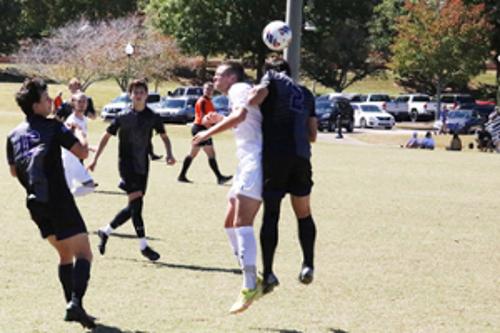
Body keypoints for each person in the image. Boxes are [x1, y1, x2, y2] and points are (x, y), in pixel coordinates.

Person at [6, 78, 96, 328]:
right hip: (58, 197)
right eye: (46, 98)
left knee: (64, 254)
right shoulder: (53, 126)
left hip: (35, 203)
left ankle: (73, 307)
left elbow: (14, 172)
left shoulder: (13, 135)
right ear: (36, 105)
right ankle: (75, 302)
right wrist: (79, 133)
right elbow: (82, 153)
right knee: (84, 254)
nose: (50, 102)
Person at [193, 61, 263, 314]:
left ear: (231, 77)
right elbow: (245, 121)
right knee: (229, 222)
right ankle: (254, 277)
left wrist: (208, 131)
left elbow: (241, 116)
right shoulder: (239, 91)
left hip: (256, 162)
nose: (214, 79)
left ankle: (250, 284)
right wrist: (222, 119)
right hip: (246, 163)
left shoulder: (238, 88)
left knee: (242, 224)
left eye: (218, 75)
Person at [247, 58, 318, 295]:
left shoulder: (272, 80)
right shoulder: (306, 93)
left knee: (272, 214)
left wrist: (262, 86)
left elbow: (252, 99)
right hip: (301, 157)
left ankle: (268, 273)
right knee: (303, 212)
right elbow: (313, 135)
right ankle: (308, 263)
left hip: (277, 156)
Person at [88, 79, 176, 261]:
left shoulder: (153, 116)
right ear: (130, 95)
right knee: (136, 205)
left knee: (134, 207)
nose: (138, 95)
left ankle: (105, 231)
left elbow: (164, 136)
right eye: (135, 92)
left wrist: (169, 154)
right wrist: (95, 159)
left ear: (146, 95)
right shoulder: (123, 116)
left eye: (141, 92)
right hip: (127, 165)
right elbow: (106, 137)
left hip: (143, 165)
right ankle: (143, 245)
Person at [177, 82, 232, 184]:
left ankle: (182, 175)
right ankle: (219, 177)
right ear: (203, 90)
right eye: (206, 89)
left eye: (210, 89)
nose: (208, 91)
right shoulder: (202, 101)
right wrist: (210, 130)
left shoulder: (209, 101)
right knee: (210, 154)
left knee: (193, 154)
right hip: (200, 128)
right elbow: (203, 119)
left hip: (203, 129)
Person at [62, 92, 97, 196]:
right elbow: (69, 141)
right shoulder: (71, 121)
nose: (82, 104)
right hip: (67, 162)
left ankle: (68, 197)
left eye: (84, 101)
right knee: (64, 192)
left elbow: (79, 141)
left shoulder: (84, 119)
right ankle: (65, 198)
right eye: (79, 101)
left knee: (90, 186)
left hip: (76, 162)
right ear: (73, 103)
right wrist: (89, 148)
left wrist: (90, 147)